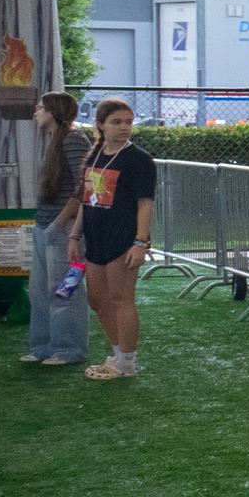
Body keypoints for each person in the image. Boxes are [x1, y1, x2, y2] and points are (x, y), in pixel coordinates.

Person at [71, 97, 158, 381]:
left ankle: (127, 363)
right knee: (97, 299)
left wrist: (140, 242)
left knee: (122, 298)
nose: (124, 128)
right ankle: (118, 354)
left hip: (123, 238)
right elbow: (87, 199)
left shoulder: (139, 159)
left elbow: (146, 203)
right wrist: (75, 235)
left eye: (128, 122)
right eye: (117, 122)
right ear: (101, 125)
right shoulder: (95, 156)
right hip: (95, 238)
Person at [21, 91, 89, 368]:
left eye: (40, 108)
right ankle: (43, 345)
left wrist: (61, 223)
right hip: (45, 223)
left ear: (52, 111)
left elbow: (84, 184)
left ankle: (69, 347)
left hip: (61, 227)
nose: (36, 112)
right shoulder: (56, 141)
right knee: (40, 290)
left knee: (64, 290)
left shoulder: (73, 139)